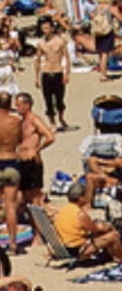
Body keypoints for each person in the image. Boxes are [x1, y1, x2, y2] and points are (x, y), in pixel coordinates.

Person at [53, 181, 122, 263]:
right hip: (79, 249)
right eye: (85, 195)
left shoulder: (63, 210)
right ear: (80, 197)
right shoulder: (80, 214)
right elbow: (94, 229)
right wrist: (105, 226)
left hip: (66, 246)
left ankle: (115, 257)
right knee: (113, 236)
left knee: (105, 233)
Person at [14, 92, 54, 209]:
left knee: (34, 197)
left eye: (19, 105)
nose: (17, 109)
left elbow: (50, 137)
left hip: (32, 161)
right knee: (23, 195)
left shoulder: (34, 120)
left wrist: (37, 149)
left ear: (27, 105)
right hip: (22, 161)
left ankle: (38, 224)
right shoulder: (21, 122)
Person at [34, 15, 70, 130]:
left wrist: (66, 73)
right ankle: (52, 122)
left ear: (52, 28)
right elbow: (38, 60)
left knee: (60, 99)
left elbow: (66, 58)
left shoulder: (60, 41)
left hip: (58, 71)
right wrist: (36, 77)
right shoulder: (41, 43)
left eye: (47, 28)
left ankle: (61, 117)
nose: (45, 31)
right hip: (46, 72)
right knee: (48, 100)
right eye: (43, 28)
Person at [0, 94, 21, 255]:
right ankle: (13, 244)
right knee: (10, 205)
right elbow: (19, 140)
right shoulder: (15, 122)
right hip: (11, 160)